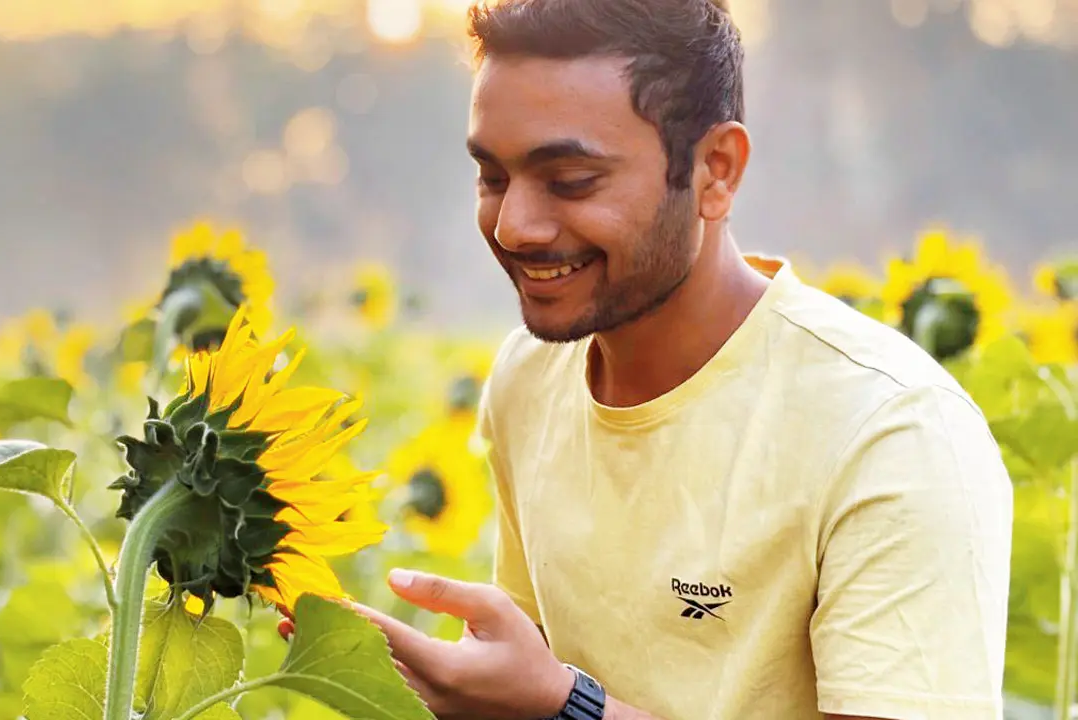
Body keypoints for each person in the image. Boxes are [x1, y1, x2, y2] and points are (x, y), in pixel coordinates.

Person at [280, 1, 1014, 718]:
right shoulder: (529, 380)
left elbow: (549, 693)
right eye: (493, 177)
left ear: (715, 171)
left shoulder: (890, 431)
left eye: (570, 181)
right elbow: (529, 672)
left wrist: (565, 706)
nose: (514, 227)